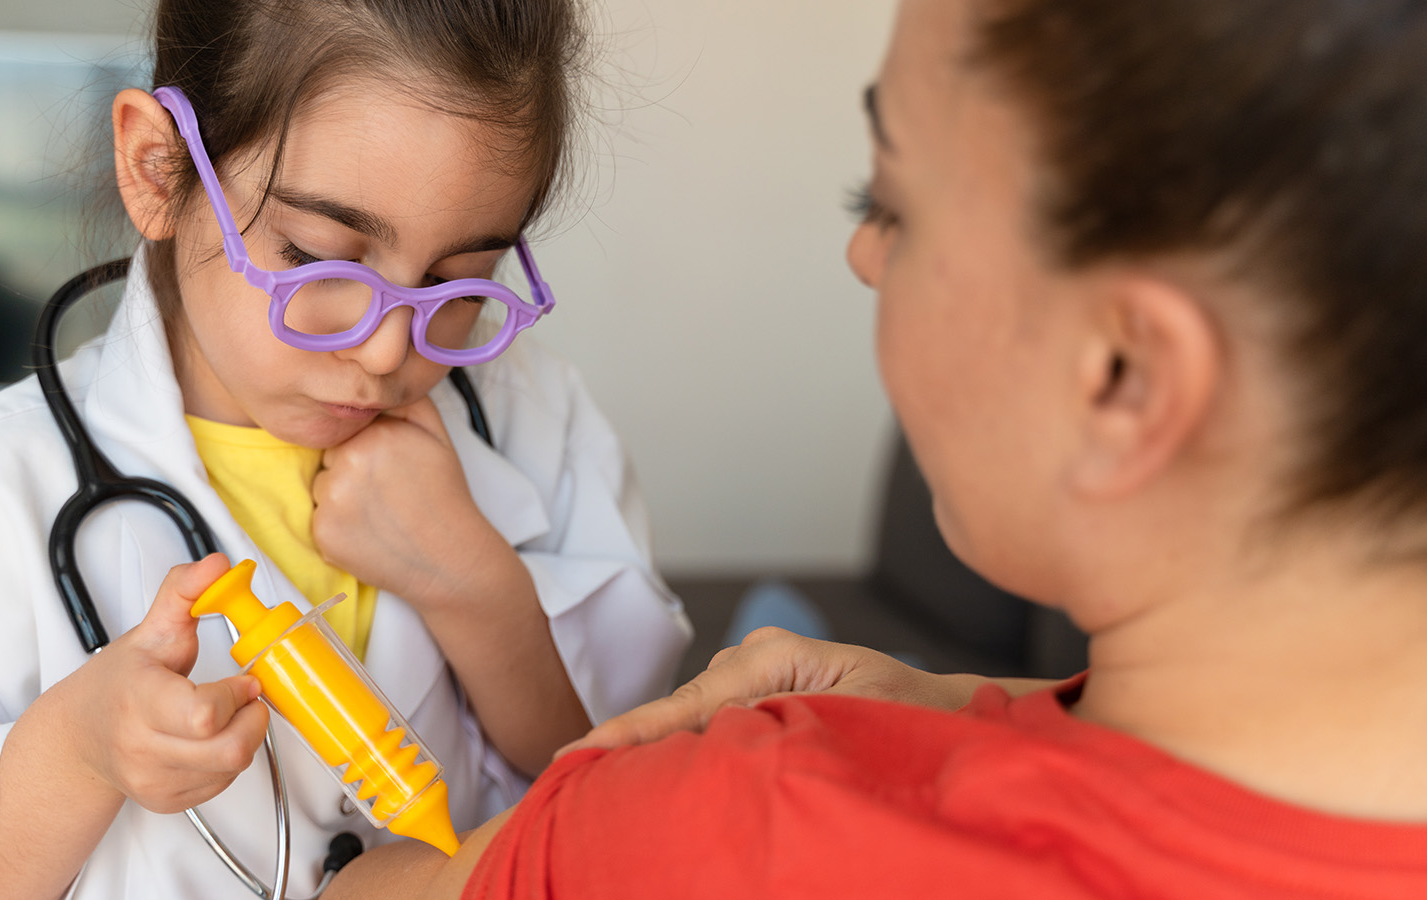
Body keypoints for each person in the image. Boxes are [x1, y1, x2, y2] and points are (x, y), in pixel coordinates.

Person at [318, 0, 1427, 895]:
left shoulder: (739, 830)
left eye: (888, 199)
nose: (860, 253)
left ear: (1123, 379)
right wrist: (967, 709)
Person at [0, 1, 694, 897]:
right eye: (321, 260)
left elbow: (624, 797)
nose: (388, 350)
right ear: (158, 166)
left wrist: (477, 592)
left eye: (459, 286)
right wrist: (75, 757)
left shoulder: (538, 420)